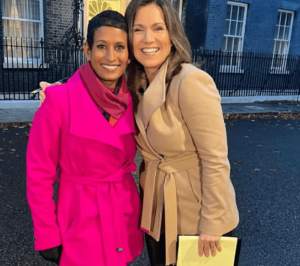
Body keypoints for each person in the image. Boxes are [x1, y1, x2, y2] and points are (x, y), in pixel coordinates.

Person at [39, 1, 239, 265]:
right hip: (158, 211)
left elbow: (215, 160)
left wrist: (212, 223)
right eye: (138, 29)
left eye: (158, 28)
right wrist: (59, 91)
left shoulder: (190, 81)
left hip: (198, 213)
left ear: (172, 34)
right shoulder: (137, 83)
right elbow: (97, 82)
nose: (148, 39)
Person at [26, 10, 143, 266]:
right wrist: (46, 234)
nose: (111, 57)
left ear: (129, 54)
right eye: (102, 46)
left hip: (122, 212)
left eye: (120, 47)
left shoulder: (136, 99)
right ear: (88, 50)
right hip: (79, 218)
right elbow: (39, 174)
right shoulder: (58, 101)